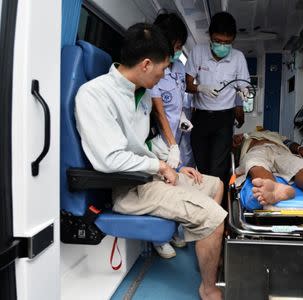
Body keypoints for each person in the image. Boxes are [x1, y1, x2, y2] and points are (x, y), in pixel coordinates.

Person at [75, 23, 225, 300]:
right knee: (214, 218)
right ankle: (209, 288)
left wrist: (174, 165)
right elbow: (110, 159)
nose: (164, 75)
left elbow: (140, 145)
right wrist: (160, 167)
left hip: (151, 175)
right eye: (163, 68)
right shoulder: (95, 95)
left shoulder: (140, 93)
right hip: (129, 188)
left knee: (215, 185)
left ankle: (202, 237)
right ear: (145, 64)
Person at [186, 11, 251, 192]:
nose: (222, 45)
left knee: (218, 168)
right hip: (200, 118)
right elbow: (187, 84)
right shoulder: (197, 52)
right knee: (202, 165)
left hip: (224, 118)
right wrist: (201, 88)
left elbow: (243, 85)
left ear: (233, 40)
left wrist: (244, 95)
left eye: (227, 42)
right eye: (218, 41)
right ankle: (203, 203)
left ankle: (218, 208)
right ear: (210, 37)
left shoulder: (238, 58)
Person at [150, 12, 191, 259]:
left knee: (178, 184)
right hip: (163, 136)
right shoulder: (153, 65)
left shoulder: (179, 66)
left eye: (180, 47)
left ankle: (174, 229)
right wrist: (172, 145)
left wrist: (184, 119)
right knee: (161, 183)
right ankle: (158, 237)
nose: (178, 51)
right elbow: (158, 110)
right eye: (176, 46)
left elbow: (179, 100)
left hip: (178, 133)